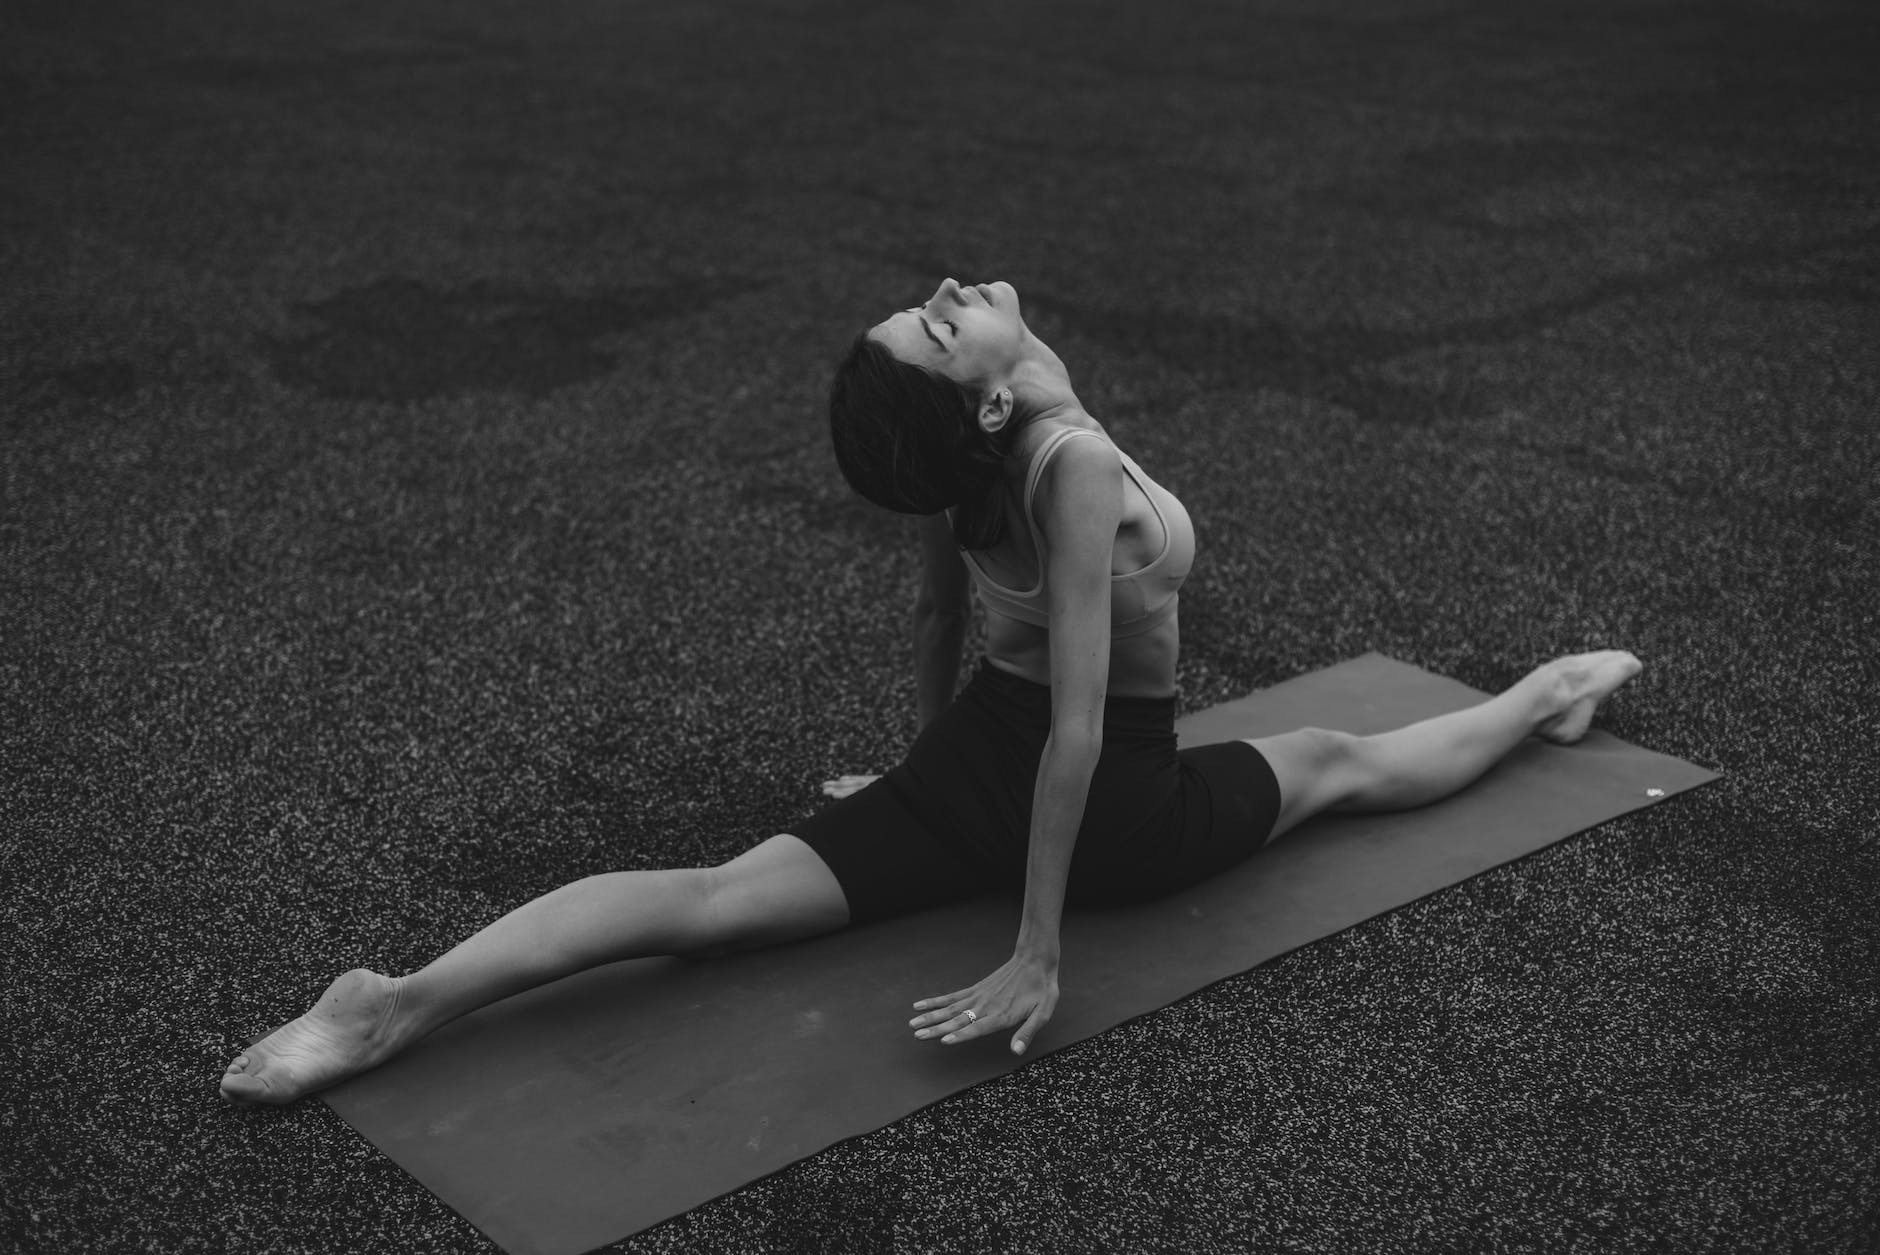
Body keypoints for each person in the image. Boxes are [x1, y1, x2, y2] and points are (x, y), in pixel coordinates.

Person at [220, 278, 1640, 1103]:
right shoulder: (1064, 462)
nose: (950, 297)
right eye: (938, 326)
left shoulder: (955, 455)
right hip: (1114, 807)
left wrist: (911, 775)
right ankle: (1546, 697)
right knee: (1338, 758)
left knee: (712, 904)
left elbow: (942, 604)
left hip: (966, 762)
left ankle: (399, 1004)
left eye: (928, 307)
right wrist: (1038, 942)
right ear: (988, 403)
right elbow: (1081, 728)